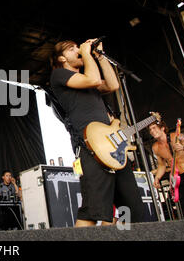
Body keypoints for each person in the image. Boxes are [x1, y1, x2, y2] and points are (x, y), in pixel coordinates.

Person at [49, 38, 145, 227]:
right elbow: (92, 79)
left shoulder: (88, 81)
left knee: (131, 208)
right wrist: (85, 51)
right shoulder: (59, 75)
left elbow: (112, 85)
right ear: (61, 58)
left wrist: (99, 57)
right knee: (93, 210)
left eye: (78, 46)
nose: (78, 49)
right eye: (72, 48)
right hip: (90, 146)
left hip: (112, 146)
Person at [149, 120, 184, 218]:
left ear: (162, 128)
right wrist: (157, 178)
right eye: (150, 129)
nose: (152, 131)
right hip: (179, 179)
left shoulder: (176, 136)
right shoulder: (155, 147)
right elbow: (162, 165)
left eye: (154, 128)